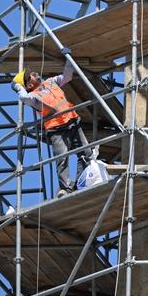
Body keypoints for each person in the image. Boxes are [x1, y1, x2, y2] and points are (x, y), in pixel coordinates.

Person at [12, 48, 88, 197]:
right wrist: (18, 87)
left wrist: (68, 59)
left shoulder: (50, 82)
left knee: (86, 153)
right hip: (56, 129)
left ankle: (80, 183)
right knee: (62, 160)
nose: (34, 73)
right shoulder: (33, 96)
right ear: (28, 86)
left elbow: (67, 76)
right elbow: (24, 98)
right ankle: (66, 189)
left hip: (72, 120)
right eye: (31, 76)